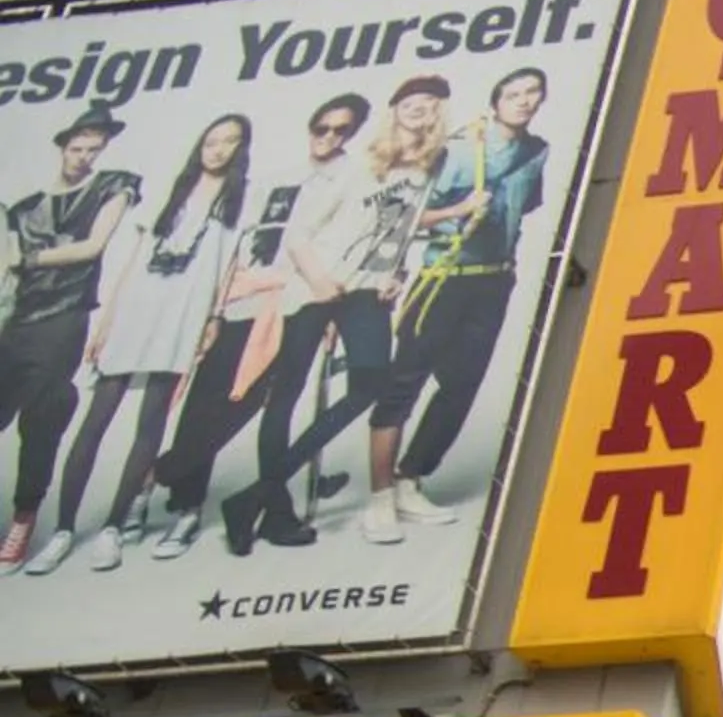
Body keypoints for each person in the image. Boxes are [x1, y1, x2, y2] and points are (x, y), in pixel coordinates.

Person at [221, 74, 443, 555]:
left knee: (370, 384)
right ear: (395, 108)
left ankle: (251, 497)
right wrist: (320, 282)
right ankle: (276, 514)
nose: (419, 108)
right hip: (313, 283)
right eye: (410, 100)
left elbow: (397, 235)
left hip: (365, 290)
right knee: (286, 395)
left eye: (429, 103)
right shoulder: (360, 163)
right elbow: (299, 232)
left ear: (436, 113)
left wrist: (397, 275)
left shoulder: (426, 169)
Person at [20, 114, 249, 576]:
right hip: (139, 306)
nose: (218, 148)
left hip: (183, 313)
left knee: (151, 422)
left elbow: (229, 265)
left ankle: (112, 526)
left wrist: (214, 317)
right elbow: (134, 259)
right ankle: (64, 530)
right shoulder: (172, 188)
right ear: (199, 144)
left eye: (230, 141)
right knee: (96, 420)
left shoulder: (242, 200)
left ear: (241, 149)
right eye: (212, 139)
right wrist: (107, 320)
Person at [147, 95, 361, 560]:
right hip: (241, 298)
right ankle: (183, 498)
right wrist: (216, 309)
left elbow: (341, 251)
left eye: (339, 130)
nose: (327, 136)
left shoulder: (351, 181)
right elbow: (238, 246)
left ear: (352, 133)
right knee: (206, 400)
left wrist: (331, 312)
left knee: (255, 401)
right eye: (320, 127)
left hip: (295, 303)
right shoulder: (274, 180)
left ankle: (164, 473)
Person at [366, 65, 550, 529]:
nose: (524, 101)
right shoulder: (458, 149)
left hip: (493, 281)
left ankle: (411, 478)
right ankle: (380, 496)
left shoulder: (536, 151)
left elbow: (525, 206)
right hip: (444, 276)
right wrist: (458, 210)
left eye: (533, 93)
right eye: (514, 93)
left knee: (463, 384)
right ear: (495, 102)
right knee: (405, 380)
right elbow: (400, 214)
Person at [0, 104, 137, 573]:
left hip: (63, 319)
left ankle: (23, 521)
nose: (84, 156)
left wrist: (28, 260)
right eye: (77, 147)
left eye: (94, 148)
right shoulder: (22, 209)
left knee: (42, 418)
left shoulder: (112, 187)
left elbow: (93, 247)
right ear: (63, 146)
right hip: (15, 321)